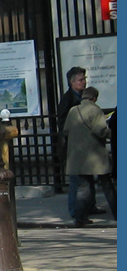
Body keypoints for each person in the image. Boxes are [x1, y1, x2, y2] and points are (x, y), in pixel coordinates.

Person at [64, 86, 116, 228]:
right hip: (95, 155)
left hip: (78, 155)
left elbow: (66, 129)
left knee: (83, 187)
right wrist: (111, 134)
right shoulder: (96, 110)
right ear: (94, 98)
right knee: (107, 185)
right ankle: (118, 213)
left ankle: (80, 218)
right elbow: (100, 130)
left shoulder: (73, 110)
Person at [56, 67, 92, 221]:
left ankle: (89, 206)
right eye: (80, 80)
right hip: (73, 144)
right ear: (72, 82)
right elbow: (62, 121)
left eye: (84, 79)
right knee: (76, 180)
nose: (83, 82)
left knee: (87, 178)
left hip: (84, 144)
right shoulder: (68, 98)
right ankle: (75, 210)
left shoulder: (82, 97)